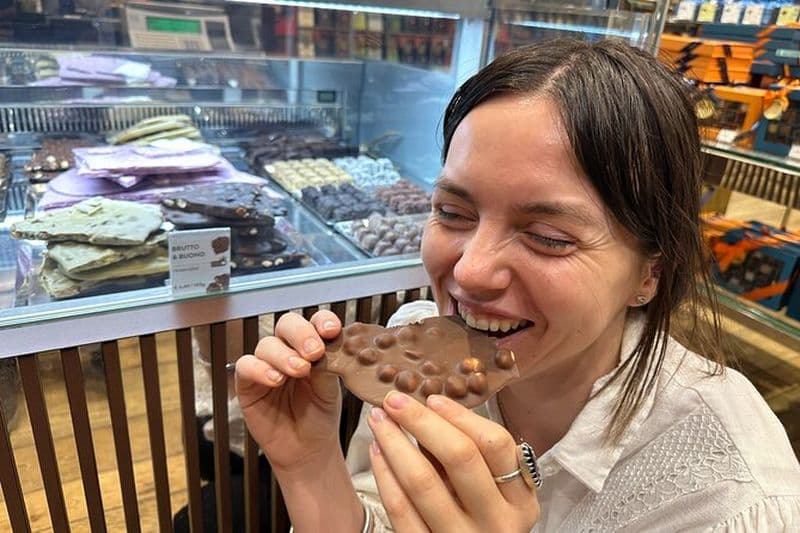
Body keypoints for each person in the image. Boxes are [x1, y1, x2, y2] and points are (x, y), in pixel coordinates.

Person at [235, 39, 800, 532]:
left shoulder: (732, 502)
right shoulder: (415, 350)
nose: (470, 272)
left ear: (649, 272)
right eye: (453, 213)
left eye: (549, 237)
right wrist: (309, 468)